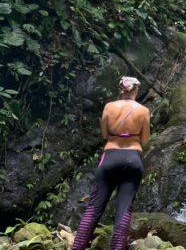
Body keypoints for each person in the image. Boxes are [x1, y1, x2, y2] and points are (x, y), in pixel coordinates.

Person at [72, 76, 151, 250]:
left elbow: (104, 135)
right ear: (136, 90)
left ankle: (77, 247)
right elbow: (145, 139)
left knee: (93, 209)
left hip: (110, 156)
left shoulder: (109, 107)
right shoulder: (144, 110)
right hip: (133, 158)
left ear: (120, 89)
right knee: (124, 210)